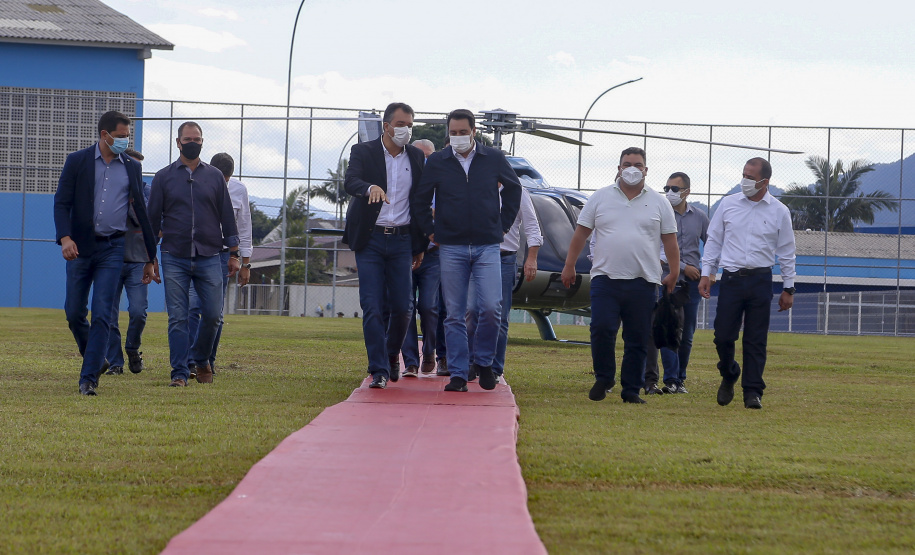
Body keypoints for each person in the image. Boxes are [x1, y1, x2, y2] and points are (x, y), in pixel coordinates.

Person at [414, 109, 522, 393]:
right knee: (454, 313)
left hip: (488, 246)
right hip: (451, 247)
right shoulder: (437, 161)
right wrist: (430, 230)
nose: (458, 137)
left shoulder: (493, 158)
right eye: (453, 133)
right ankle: (459, 373)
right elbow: (420, 199)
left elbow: (514, 189)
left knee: (491, 308)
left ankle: (484, 361)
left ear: (474, 131)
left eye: (463, 132)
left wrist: (503, 225)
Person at [561, 147, 680, 404]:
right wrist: (569, 265)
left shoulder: (659, 202)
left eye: (638, 165)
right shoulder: (600, 197)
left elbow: (670, 241)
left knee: (637, 338)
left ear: (646, 170)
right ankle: (604, 378)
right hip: (605, 278)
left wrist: (674, 271)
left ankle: (631, 390)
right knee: (601, 328)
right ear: (619, 168)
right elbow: (581, 233)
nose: (632, 169)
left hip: (644, 281)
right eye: (627, 164)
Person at [53, 111, 159, 395]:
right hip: (80, 247)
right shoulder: (77, 161)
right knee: (74, 312)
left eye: (128, 137)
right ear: (104, 135)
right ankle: (96, 357)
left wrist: (150, 257)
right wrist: (65, 238)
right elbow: (62, 202)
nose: (125, 141)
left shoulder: (132, 167)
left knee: (102, 314)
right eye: (121, 136)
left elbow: (142, 213)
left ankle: (88, 379)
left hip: (113, 248)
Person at [147, 121, 240, 387]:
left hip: (210, 255)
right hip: (174, 255)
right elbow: (152, 220)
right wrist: (149, 257)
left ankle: (201, 359)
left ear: (202, 142)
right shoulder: (163, 177)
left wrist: (235, 253)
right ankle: (179, 372)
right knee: (178, 317)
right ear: (178, 143)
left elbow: (227, 217)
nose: (192, 143)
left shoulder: (215, 177)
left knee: (213, 315)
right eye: (187, 139)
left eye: (197, 139)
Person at [699, 157, 796, 410]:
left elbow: (787, 251)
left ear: (765, 181)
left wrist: (789, 287)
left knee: (755, 339)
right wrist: (706, 273)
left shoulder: (779, 211)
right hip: (731, 279)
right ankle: (729, 372)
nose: (745, 181)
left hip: (760, 280)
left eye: (750, 177)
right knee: (722, 336)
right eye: (744, 175)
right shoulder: (728, 204)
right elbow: (714, 240)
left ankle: (753, 391)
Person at [342, 102, 427, 390]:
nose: (406, 130)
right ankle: (378, 368)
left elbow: (419, 201)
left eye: (410, 125)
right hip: (371, 239)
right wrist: (370, 188)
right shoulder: (363, 151)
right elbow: (351, 181)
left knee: (404, 307)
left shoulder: (416, 156)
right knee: (373, 306)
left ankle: (391, 354)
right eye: (401, 124)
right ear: (387, 126)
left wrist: (420, 244)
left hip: (402, 239)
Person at [187, 153, 253, 377]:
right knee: (192, 307)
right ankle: (190, 361)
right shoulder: (194, 184)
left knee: (214, 312)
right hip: (198, 253)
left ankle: (207, 360)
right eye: (220, 179)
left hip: (224, 256)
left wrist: (246, 263)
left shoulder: (239, 190)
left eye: (227, 180)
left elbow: (244, 227)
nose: (223, 184)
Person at [467, 185, 542, 381]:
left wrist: (532, 258)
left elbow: (532, 225)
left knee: (498, 314)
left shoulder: (517, 190)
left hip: (504, 259)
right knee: (471, 310)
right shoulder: (475, 184)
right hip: (477, 256)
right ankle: (470, 362)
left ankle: (494, 367)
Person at [644, 172, 709, 395]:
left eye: (674, 189)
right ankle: (670, 380)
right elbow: (656, 249)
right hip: (665, 281)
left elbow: (713, 244)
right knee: (667, 329)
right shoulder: (659, 215)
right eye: (667, 188)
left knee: (687, 335)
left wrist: (709, 272)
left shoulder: (700, 217)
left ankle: (680, 378)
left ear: (687, 192)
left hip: (690, 285)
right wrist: (682, 267)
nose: (669, 192)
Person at [105, 148, 153, 376]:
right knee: (108, 314)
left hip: (138, 261)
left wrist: (131, 197)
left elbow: (148, 221)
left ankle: (133, 349)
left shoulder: (147, 192)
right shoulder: (108, 190)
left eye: (138, 168)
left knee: (138, 311)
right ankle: (116, 362)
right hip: (110, 259)